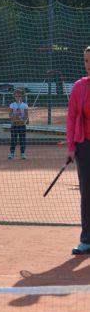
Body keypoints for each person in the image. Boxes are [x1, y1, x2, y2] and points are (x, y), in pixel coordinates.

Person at [68, 46, 90, 255]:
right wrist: (71, 146)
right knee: (87, 193)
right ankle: (86, 240)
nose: (88, 65)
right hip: (85, 145)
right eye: (86, 61)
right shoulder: (79, 87)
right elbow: (72, 117)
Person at [8, 87, 29, 160]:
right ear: (14, 96)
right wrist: (14, 120)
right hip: (14, 125)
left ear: (22, 96)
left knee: (22, 139)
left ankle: (22, 153)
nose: (18, 98)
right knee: (13, 139)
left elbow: (26, 115)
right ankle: (11, 153)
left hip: (22, 125)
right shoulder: (12, 105)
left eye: (19, 96)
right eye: (16, 96)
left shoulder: (25, 105)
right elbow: (10, 114)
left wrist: (23, 121)